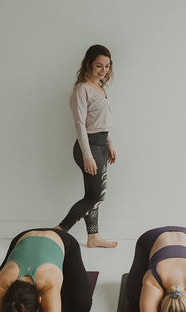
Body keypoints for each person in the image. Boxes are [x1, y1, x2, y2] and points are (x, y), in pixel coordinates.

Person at [56, 44, 117, 248]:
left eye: (107, 66)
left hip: (100, 145)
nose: (103, 70)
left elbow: (101, 121)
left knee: (95, 194)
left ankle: (93, 237)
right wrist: (87, 155)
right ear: (89, 64)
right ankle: (59, 231)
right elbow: (80, 124)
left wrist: (109, 144)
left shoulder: (100, 88)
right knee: (94, 196)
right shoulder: (82, 89)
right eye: (99, 65)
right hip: (88, 146)